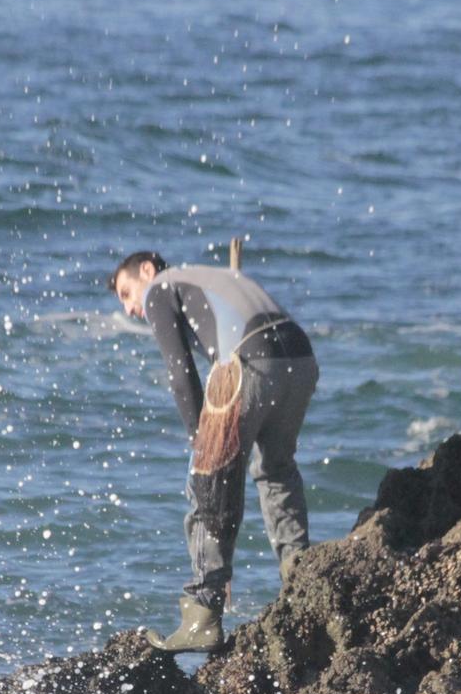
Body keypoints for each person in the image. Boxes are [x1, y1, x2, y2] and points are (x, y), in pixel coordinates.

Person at [109, 250, 318, 653]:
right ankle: (300, 576)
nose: (131, 307)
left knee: (209, 481)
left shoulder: (160, 288)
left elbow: (180, 370)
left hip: (253, 363)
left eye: (126, 292)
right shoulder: (211, 274)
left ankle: (202, 613)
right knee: (276, 469)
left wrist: (200, 441)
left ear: (148, 271)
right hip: (300, 358)